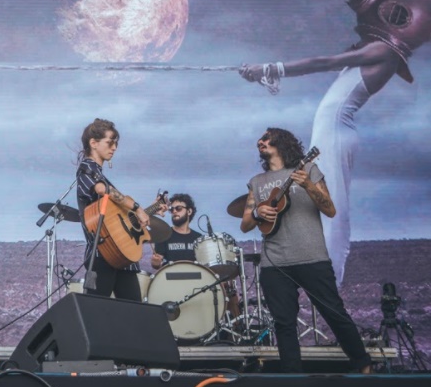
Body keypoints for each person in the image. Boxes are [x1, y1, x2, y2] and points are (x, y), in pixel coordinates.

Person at [239, 0, 431, 285]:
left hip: (335, 134)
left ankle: (331, 283)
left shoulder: (384, 51)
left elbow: (323, 62)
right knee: (322, 206)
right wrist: (261, 71)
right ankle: (325, 279)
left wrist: (272, 68)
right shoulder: (380, 50)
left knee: (332, 209)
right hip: (329, 132)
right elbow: (329, 59)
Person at [239, 127, 371, 373]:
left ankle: (363, 364)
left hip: (311, 256)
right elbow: (245, 224)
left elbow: (330, 209)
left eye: (266, 138)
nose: (261, 141)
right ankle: (293, 378)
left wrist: (308, 185)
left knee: (333, 312)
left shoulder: (307, 169)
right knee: (284, 323)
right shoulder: (256, 182)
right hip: (274, 262)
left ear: (281, 142)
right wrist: (257, 213)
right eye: (259, 139)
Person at [76, 118, 151, 301]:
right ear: (93, 143)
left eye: (116, 143)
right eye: (110, 142)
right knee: (97, 311)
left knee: (133, 310)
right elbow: (101, 189)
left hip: (122, 255)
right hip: (103, 252)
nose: (114, 148)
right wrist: (136, 207)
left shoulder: (100, 173)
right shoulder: (87, 167)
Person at [150, 193, 241, 321]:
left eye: (178, 208)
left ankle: (235, 330)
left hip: (196, 286)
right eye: (172, 209)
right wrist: (155, 262)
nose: (174, 212)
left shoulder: (199, 239)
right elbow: (156, 265)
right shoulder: (164, 235)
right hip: (171, 284)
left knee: (229, 290)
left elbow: (208, 267)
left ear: (189, 211)